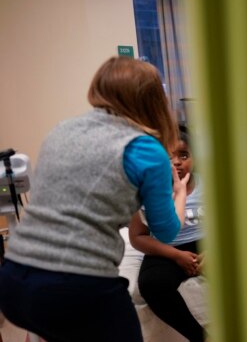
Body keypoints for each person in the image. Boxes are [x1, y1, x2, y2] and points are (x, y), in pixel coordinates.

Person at [0, 56, 189, 342]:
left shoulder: (62, 130)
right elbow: (166, 231)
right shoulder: (146, 149)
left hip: (13, 281)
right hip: (76, 287)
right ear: (153, 99)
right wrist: (180, 194)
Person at [129, 124, 205, 342]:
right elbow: (137, 237)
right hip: (166, 249)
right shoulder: (146, 191)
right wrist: (175, 256)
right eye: (168, 156)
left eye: (183, 155)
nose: (177, 162)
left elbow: (228, 223)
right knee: (151, 284)